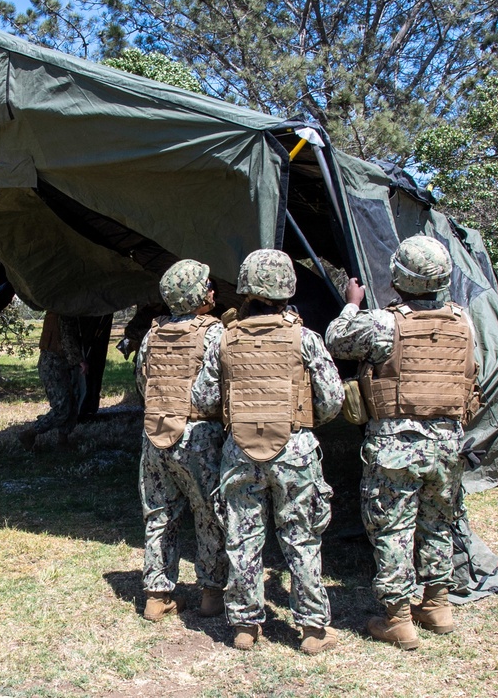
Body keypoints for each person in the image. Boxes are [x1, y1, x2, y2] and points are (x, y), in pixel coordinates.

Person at [325, 235, 478, 650]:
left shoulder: (384, 323)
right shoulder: (463, 321)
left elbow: (336, 338)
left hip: (396, 443)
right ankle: (438, 604)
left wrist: (352, 301)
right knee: (438, 523)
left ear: (399, 277)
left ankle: (397, 618)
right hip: (448, 443)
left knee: (393, 528)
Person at [192, 249, 343, 654]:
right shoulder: (305, 338)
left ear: (245, 288)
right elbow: (332, 400)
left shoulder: (225, 339)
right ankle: (312, 630)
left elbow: (203, 399)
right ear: (287, 288)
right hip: (294, 448)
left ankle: (245, 626)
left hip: (239, 448)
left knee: (242, 539)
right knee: (302, 538)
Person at [134, 260, 227, 621]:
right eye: (208, 287)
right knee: (209, 514)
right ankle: (211, 594)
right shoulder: (214, 334)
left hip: (155, 433)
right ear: (197, 295)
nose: (212, 292)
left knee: (159, 515)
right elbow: (209, 396)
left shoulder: (151, 336)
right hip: (198, 436)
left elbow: (143, 385)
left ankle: (157, 596)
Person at [18, 312, 87, 450]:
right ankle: (30, 433)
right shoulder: (64, 312)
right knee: (62, 406)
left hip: (62, 363)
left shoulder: (61, 310)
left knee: (72, 402)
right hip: (53, 363)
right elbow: (67, 339)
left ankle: (63, 441)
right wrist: (79, 361)